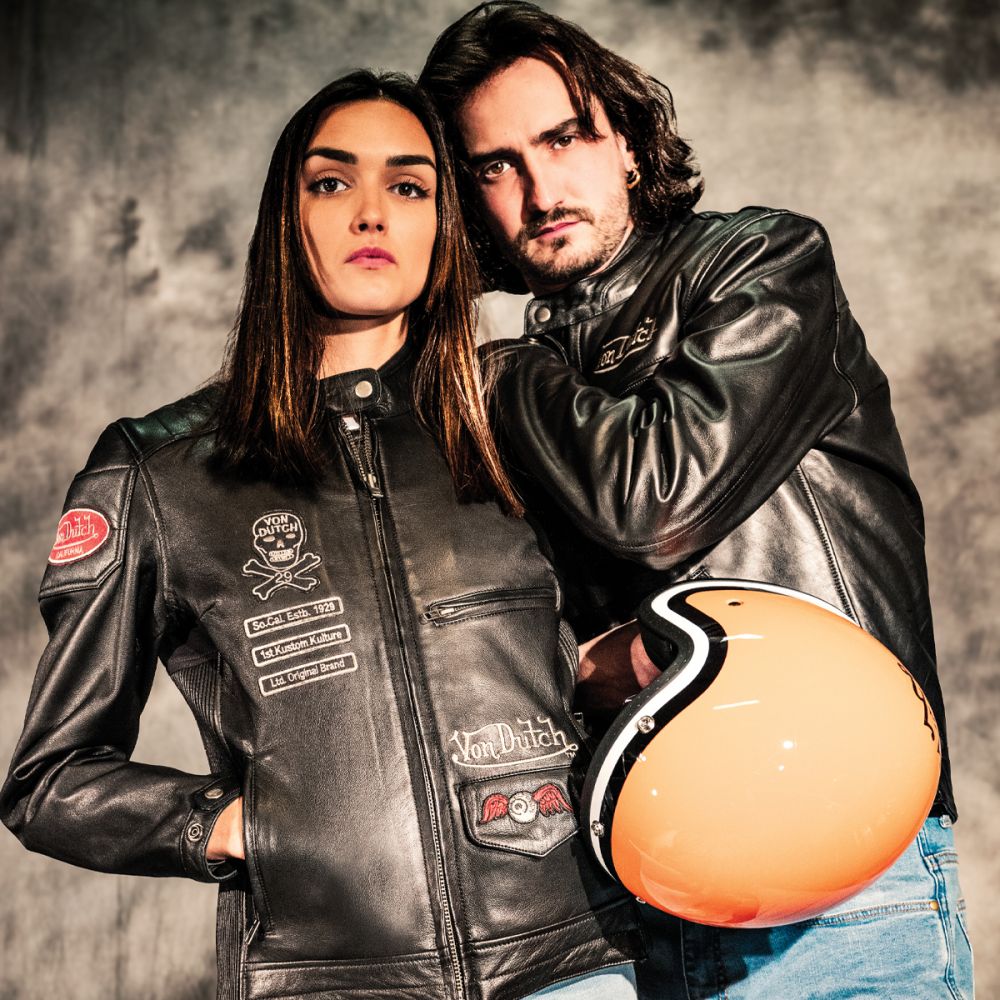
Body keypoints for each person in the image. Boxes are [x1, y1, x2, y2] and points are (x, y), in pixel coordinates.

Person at [0, 71, 646, 1000]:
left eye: (410, 186)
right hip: (329, 979)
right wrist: (235, 826)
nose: (372, 213)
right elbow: (52, 781)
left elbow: (601, 655)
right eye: (333, 182)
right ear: (285, 217)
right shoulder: (161, 471)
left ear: (445, 226)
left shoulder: (518, 413)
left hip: (575, 965)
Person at [419, 4, 975, 998]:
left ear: (628, 146)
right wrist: (577, 663)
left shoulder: (760, 261)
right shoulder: (514, 388)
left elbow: (660, 500)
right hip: (637, 887)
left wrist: (499, 374)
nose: (541, 190)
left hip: (832, 871)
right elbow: (491, 648)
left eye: (564, 138)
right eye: (496, 166)